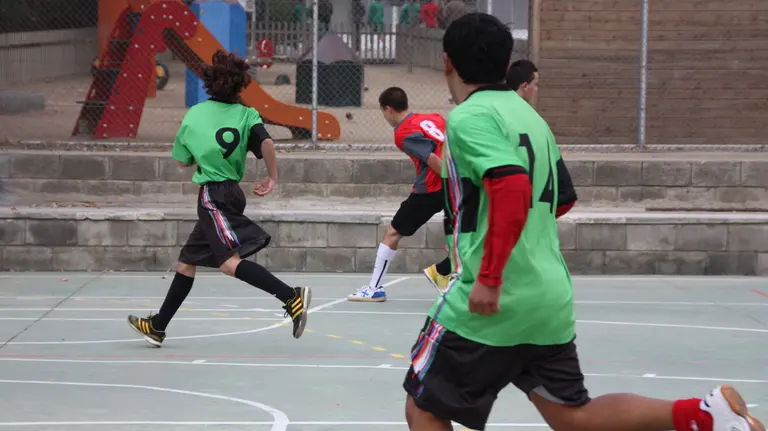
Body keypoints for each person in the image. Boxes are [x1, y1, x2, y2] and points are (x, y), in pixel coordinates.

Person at [402, 13, 764, 431]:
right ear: (506, 66)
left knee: (424, 407)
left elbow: (514, 188)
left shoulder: (468, 119)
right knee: (573, 417)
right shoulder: (530, 118)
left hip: (491, 300)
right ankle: (703, 414)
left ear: (447, 62)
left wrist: (491, 274)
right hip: (547, 297)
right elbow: (561, 200)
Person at [127, 50, 312, 347]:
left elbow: (183, 161)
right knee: (187, 262)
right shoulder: (247, 114)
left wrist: (201, 152)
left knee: (228, 263)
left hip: (213, 195)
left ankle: (291, 297)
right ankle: (158, 326)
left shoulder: (195, 114)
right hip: (230, 194)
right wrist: (272, 176)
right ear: (241, 85)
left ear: (210, 83)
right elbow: (266, 142)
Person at [347, 87, 452, 303]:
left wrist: (448, 176)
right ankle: (443, 272)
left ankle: (374, 288)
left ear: (388, 109)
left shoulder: (402, 132)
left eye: (383, 113)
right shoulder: (434, 117)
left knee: (393, 232)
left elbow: (431, 158)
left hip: (431, 189)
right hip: (454, 187)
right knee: (462, 235)